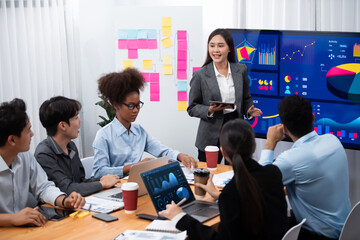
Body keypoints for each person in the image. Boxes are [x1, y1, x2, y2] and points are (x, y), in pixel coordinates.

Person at [159, 119, 288, 240]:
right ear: (254, 147)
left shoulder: (231, 193)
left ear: (223, 152)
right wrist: (217, 195)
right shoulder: (273, 173)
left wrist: (180, 218)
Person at [259, 95, 351, 240]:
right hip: (345, 231)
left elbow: (260, 184)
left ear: (284, 128)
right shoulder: (333, 140)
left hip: (317, 236)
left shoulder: (290, 160)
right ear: (313, 118)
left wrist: (270, 143)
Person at [92, 68, 197, 178]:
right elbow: (99, 172)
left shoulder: (139, 131)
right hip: (115, 186)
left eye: (138, 105)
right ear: (116, 105)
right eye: (131, 106)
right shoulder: (104, 135)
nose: (136, 110)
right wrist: (136, 166)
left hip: (136, 182)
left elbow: (162, 150)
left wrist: (180, 156)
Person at [0, 98, 85, 227]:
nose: (32, 134)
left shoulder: (25, 156)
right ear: (12, 140)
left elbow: (43, 187)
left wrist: (64, 200)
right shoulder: (42, 152)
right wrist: (12, 218)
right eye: (28, 130)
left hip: (24, 229)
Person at [187, 28, 262, 163]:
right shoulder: (200, 75)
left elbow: (246, 98)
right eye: (212, 45)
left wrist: (249, 111)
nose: (216, 50)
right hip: (210, 132)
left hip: (235, 128)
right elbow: (192, 108)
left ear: (229, 49)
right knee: (209, 173)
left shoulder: (241, 70)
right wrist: (209, 110)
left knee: (235, 174)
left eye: (220, 46)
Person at [34, 96, 121, 197]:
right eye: (76, 118)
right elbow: (67, 189)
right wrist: (102, 184)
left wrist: (104, 180)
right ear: (62, 126)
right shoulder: (44, 154)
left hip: (78, 203)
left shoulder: (70, 146)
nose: (80, 121)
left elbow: (79, 182)